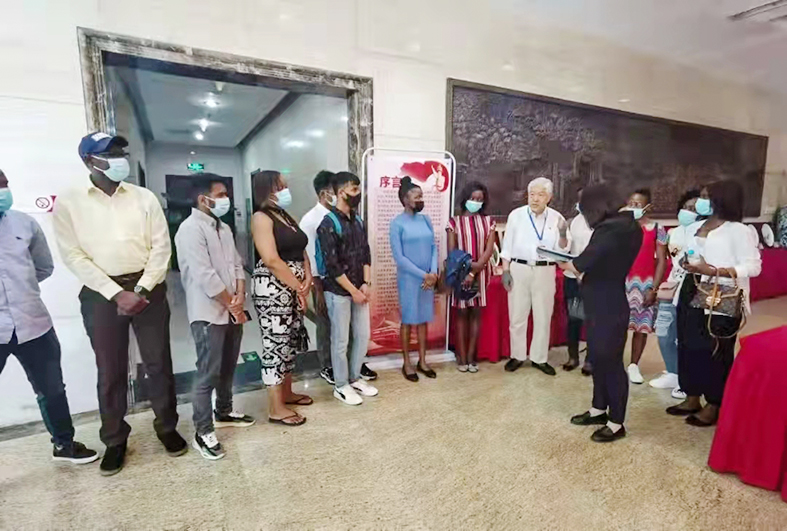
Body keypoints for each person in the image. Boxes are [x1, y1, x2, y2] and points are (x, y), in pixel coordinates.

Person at [53, 133, 185, 476]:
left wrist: (140, 288)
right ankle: (114, 439)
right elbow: (73, 255)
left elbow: (162, 247)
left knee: (158, 363)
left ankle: (167, 427)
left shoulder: (144, 197)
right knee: (110, 370)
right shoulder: (69, 202)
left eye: (121, 151)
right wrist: (116, 293)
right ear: (89, 161)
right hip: (100, 293)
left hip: (148, 288)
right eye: (110, 153)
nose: (119, 158)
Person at [0, 169, 98, 465]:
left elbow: (43, 267)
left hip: (34, 324)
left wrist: (21, 290)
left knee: (52, 389)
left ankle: (64, 444)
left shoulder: (24, 223)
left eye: (4, 184)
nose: (3, 191)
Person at [667, 180, 761, 427]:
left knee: (716, 348)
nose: (702, 201)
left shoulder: (739, 230)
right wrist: (685, 263)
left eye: (707, 197)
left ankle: (715, 403)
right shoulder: (696, 226)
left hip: (721, 293)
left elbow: (753, 266)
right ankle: (691, 395)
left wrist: (715, 270)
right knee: (688, 344)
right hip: (691, 287)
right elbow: (685, 255)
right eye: (702, 196)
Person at [174, 179, 255, 461]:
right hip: (208, 312)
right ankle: (203, 431)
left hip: (232, 307)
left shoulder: (224, 228)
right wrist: (232, 303)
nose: (225, 199)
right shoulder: (190, 230)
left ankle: (224, 410)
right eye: (220, 195)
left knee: (229, 365)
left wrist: (240, 294)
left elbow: (237, 264)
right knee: (208, 371)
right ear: (202, 199)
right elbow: (204, 274)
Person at [559, 185, 643, 442]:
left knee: (610, 361)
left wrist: (565, 263)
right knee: (598, 356)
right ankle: (598, 408)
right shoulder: (628, 224)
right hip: (603, 300)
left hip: (607, 303)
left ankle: (616, 422)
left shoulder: (612, 228)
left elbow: (581, 262)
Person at [250, 170, 313, 426]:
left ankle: (287, 393)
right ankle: (275, 408)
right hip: (273, 288)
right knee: (275, 344)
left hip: (294, 286)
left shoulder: (285, 215)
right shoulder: (261, 218)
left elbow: (302, 249)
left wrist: (307, 278)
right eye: (280, 187)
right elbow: (271, 259)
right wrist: (297, 287)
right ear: (267, 190)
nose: (286, 191)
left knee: (290, 340)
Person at [317, 171, 378, 405]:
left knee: (362, 335)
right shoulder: (328, 223)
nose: (358, 193)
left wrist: (366, 283)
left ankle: (355, 378)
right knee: (340, 340)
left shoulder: (358, 221)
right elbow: (332, 265)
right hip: (338, 291)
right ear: (341, 192)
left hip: (360, 289)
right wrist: (354, 291)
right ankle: (341, 385)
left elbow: (365, 253)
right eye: (354, 189)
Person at [501, 177, 570, 376]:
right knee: (517, 315)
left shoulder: (557, 218)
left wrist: (563, 234)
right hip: (519, 268)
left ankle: (539, 358)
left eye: (540, 195)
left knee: (543, 316)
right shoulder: (516, 215)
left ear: (549, 197)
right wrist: (506, 270)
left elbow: (563, 249)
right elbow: (507, 246)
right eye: (532, 194)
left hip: (545, 270)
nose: (535, 199)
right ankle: (517, 355)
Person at [649, 189, 703, 398]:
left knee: (686, 337)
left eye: (693, 209)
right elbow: (664, 259)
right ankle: (672, 372)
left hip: (693, 289)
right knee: (663, 332)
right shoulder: (672, 232)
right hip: (671, 288)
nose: (688, 212)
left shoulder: (705, 233)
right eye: (686, 207)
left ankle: (687, 379)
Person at [390, 177, 438, 381]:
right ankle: (407, 363)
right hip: (409, 279)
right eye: (416, 196)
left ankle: (423, 361)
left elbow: (433, 247)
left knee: (423, 319)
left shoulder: (425, 220)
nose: (420, 200)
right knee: (408, 320)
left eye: (421, 196)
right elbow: (399, 258)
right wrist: (424, 275)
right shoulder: (397, 223)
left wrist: (433, 273)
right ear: (405, 199)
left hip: (429, 279)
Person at [447, 181, 497, 373]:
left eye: (479, 199)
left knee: (476, 313)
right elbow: (452, 251)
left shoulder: (489, 221)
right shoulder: (454, 222)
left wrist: (474, 271)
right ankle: (461, 357)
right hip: (460, 273)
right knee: (461, 314)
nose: (475, 202)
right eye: (472, 198)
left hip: (481, 273)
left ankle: (471, 357)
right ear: (465, 198)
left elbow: (489, 250)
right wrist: (467, 270)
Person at [623, 189, 668, 384]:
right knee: (618, 326)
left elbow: (661, 261)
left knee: (640, 327)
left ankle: (633, 365)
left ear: (647, 207)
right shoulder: (621, 226)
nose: (633, 207)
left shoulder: (656, 228)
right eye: (631, 203)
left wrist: (654, 288)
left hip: (644, 284)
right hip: (621, 283)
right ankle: (614, 362)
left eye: (638, 204)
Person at [299, 170, 336, 385]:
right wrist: (318, 289)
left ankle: (345, 362)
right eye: (336, 191)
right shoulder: (310, 220)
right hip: (321, 281)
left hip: (341, 280)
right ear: (324, 193)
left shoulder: (339, 215)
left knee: (343, 325)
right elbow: (310, 257)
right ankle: (326, 365)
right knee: (325, 324)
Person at [562, 187, 593, 374]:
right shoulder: (573, 222)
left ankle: (590, 360)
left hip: (594, 279)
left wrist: (585, 273)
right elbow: (566, 249)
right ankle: (573, 356)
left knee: (592, 320)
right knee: (574, 318)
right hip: (573, 277)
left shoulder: (601, 222)